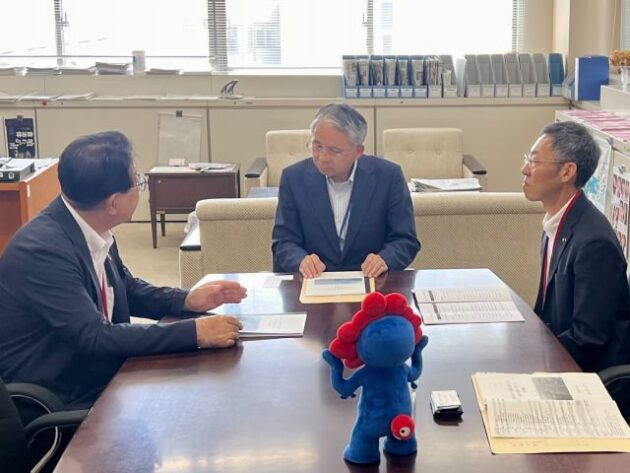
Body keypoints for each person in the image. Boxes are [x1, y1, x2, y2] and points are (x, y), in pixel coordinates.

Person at [0, 131, 247, 409]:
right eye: (138, 181)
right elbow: (95, 337)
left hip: (100, 377)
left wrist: (185, 300)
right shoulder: (42, 252)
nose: (141, 187)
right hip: (64, 397)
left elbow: (125, 287)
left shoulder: (90, 225)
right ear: (114, 203)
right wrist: (193, 332)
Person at [521, 121, 630, 378]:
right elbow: (547, 315)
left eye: (534, 161)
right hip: (561, 358)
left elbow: (588, 340)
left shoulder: (594, 243)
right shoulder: (556, 224)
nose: (525, 169)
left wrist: (529, 358)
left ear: (567, 171)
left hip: (589, 376)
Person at [272, 103, 420, 278]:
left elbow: (405, 240)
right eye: (317, 146)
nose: (323, 157)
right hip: (314, 282)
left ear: (358, 151)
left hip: (371, 282)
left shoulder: (388, 177)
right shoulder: (293, 178)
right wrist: (301, 261)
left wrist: (384, 259)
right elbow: (283, 243)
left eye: (334, 150)